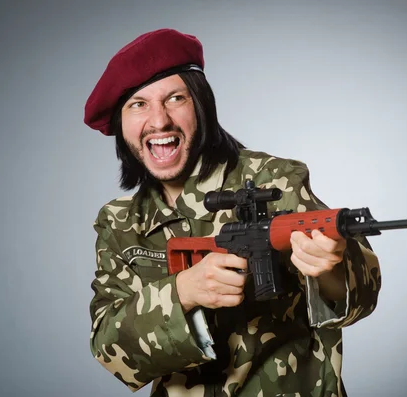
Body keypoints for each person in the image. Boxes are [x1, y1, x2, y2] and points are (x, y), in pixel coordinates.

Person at [84, 28, 381, 397]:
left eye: (175, 98)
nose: (159, 121)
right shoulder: (120, 222)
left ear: (201, 105)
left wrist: (333, 266)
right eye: (138, 104)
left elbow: (360, 297)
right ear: (121, 125)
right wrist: (183, 292)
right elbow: (110, 349)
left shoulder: (273, 180)